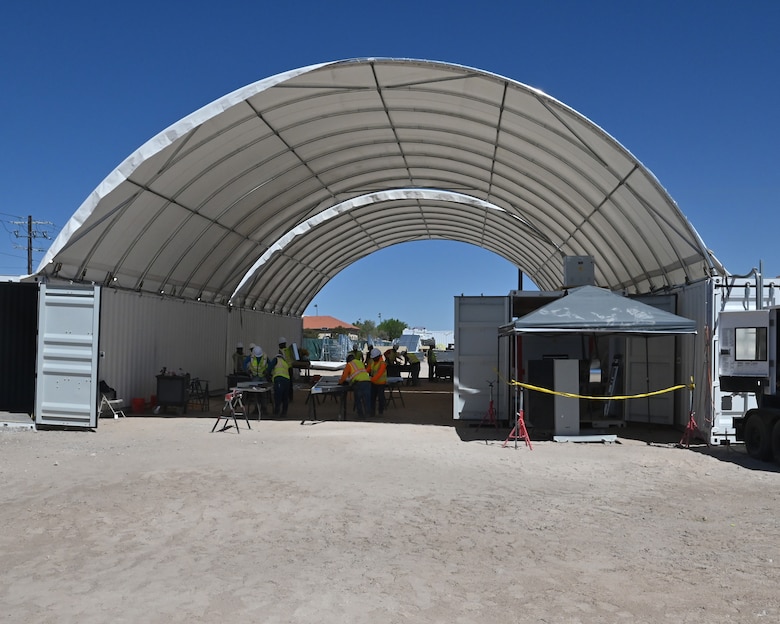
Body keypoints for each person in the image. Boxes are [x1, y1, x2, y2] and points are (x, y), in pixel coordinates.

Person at [339, 353, 371, 419]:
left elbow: (344, 377)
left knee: (358, 400)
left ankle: (361, 415)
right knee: (366, 399)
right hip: (367, 382)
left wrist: (340, 382)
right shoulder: (360, 363)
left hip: (358, 383)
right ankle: (368, 414)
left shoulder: (349, 365)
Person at [268, 343, 292, 416]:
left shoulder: (276, 359)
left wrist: (268, 374)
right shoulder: (285, 362)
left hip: (279, 380)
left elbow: (270, 368)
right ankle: (284, 412)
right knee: (285, 397)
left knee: (278, 396)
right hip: (287, 381)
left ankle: (276, 411)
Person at [367, 347, 387, 417]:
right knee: (372, 398)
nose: (373, 359)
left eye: (375, 357)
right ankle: (372, 412)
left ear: (378, 356)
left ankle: (381, 411)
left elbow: (379, 375)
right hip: (374, 383)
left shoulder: (382, 364)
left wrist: (370, 379)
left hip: (381, 383)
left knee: (381, 397)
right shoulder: (372, 362)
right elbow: (367, 370)